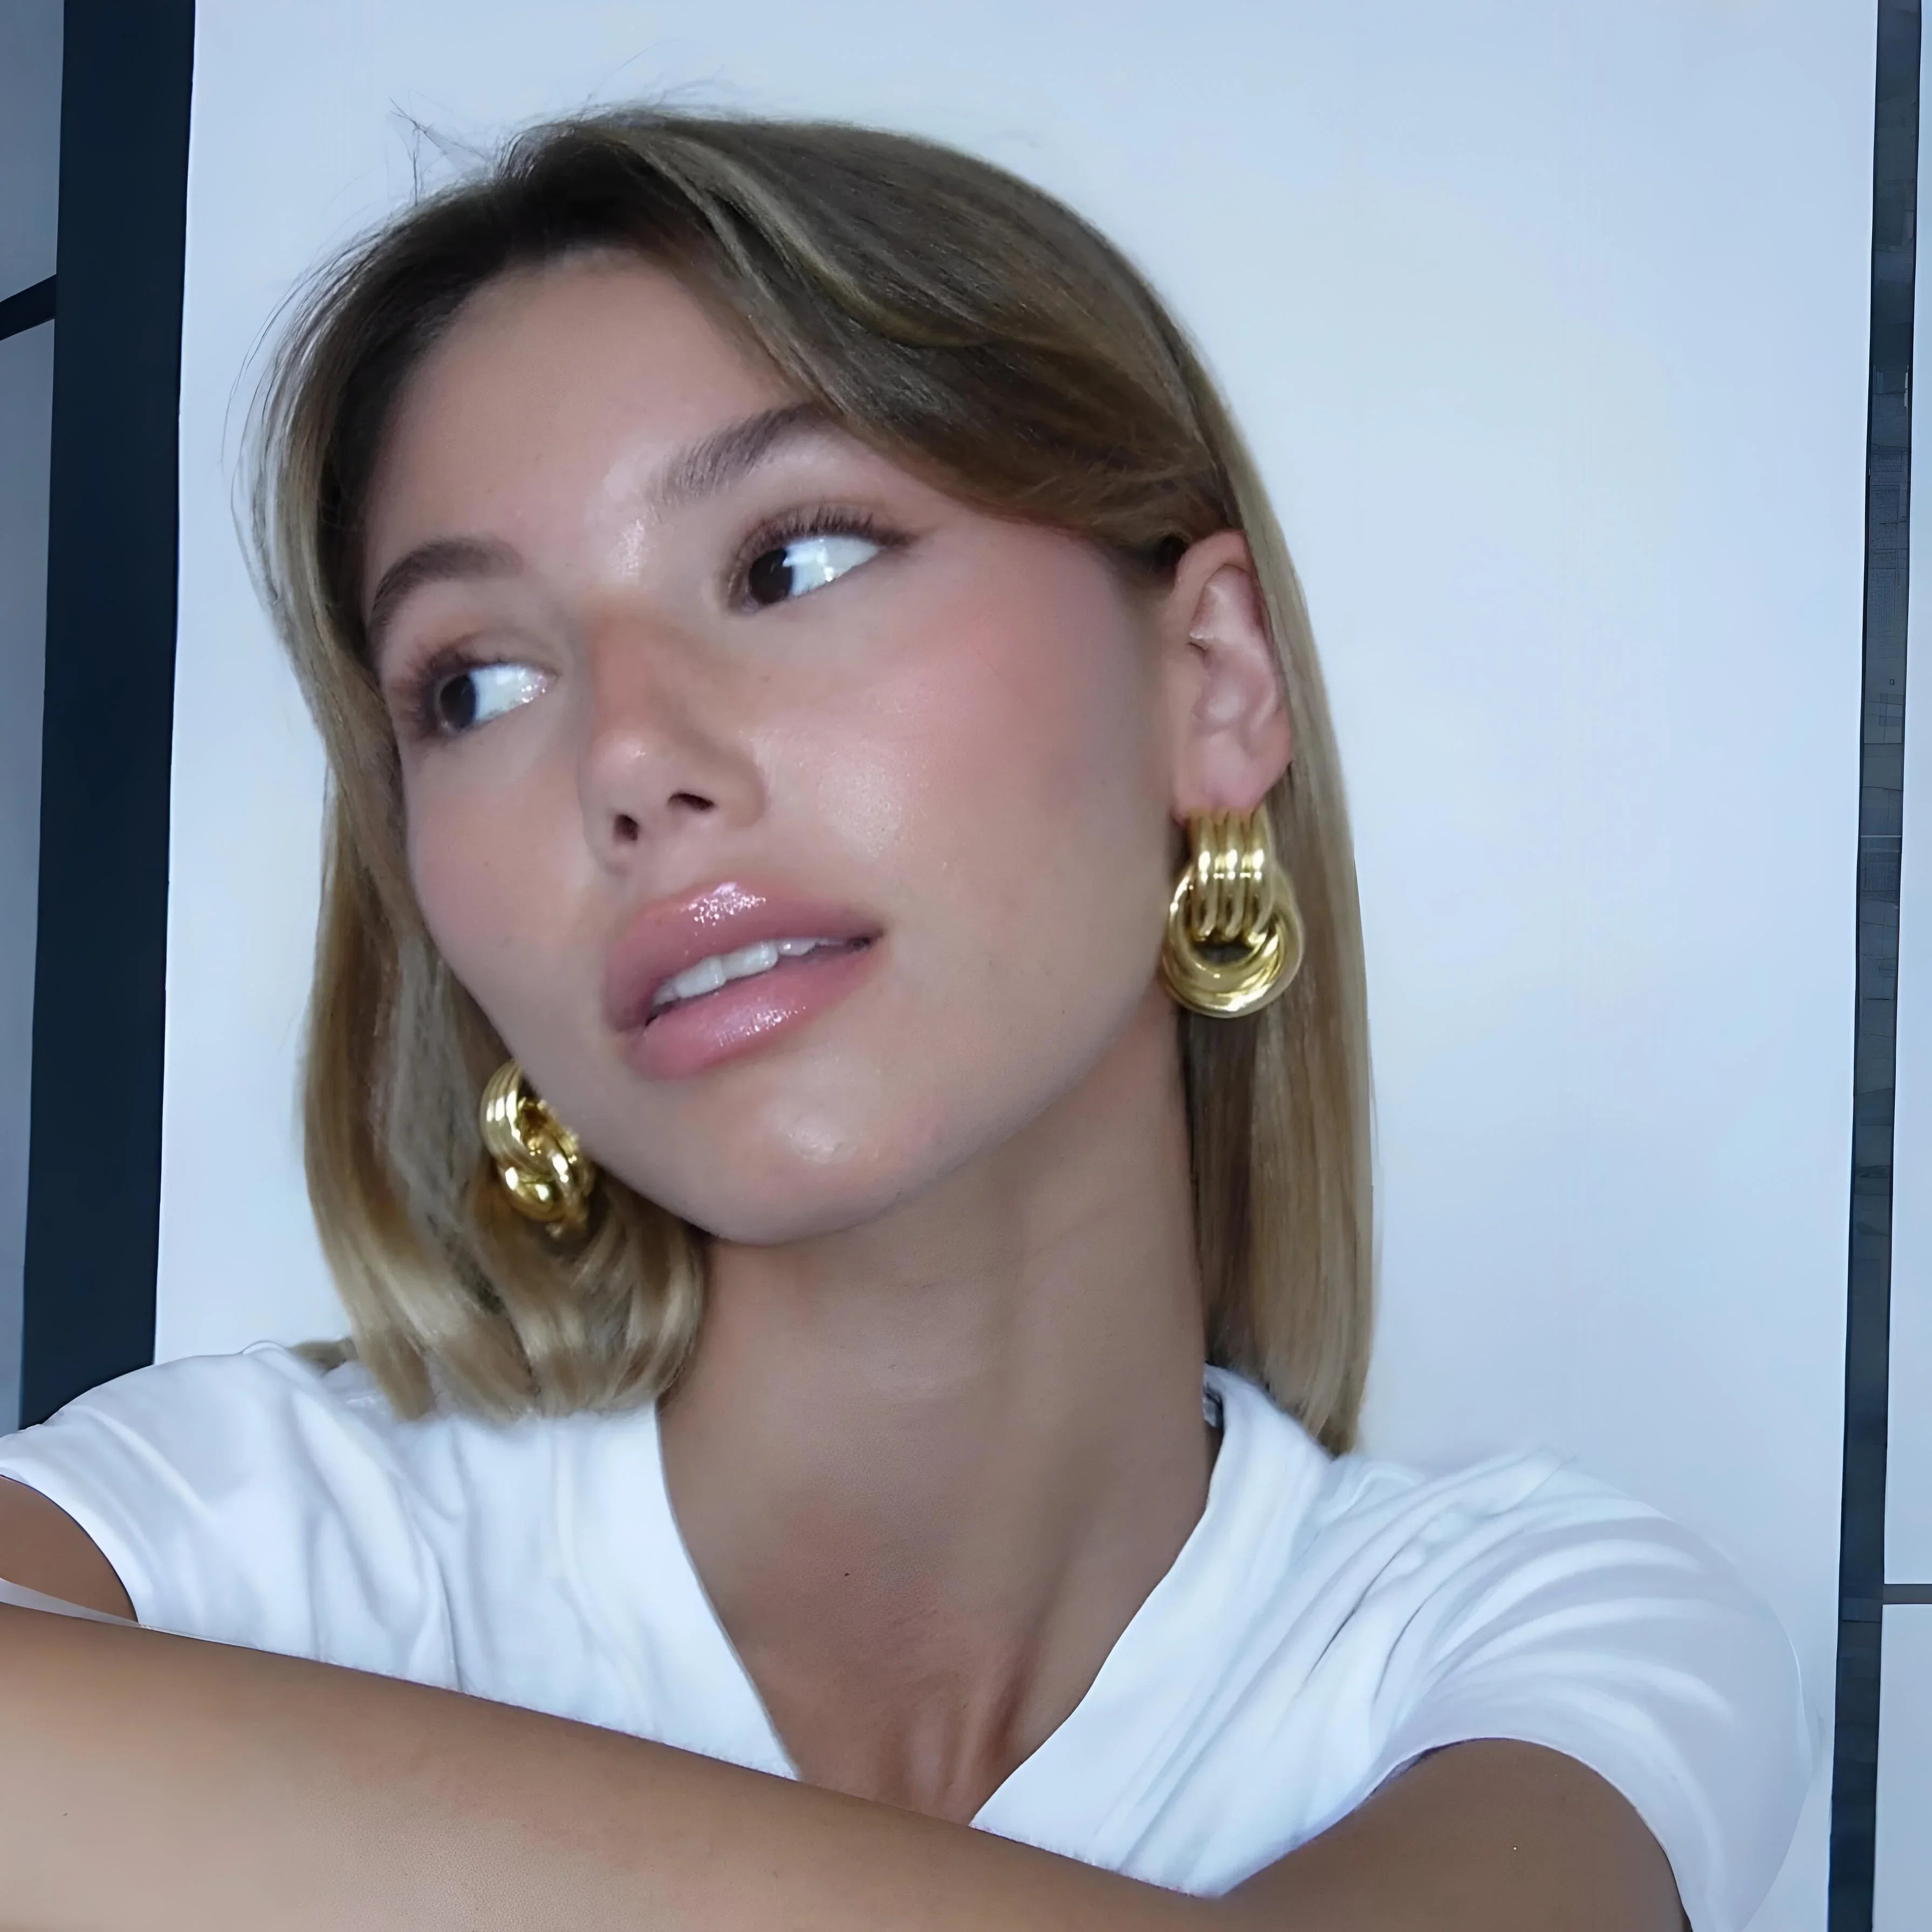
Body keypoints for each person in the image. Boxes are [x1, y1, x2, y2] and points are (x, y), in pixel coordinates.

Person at [0, 106, 1807, 1930]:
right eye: (475, 683)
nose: (628, 759)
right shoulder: (234, 1529)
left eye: (792, 563)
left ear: (1212, 677)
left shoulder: (1534, 1643)